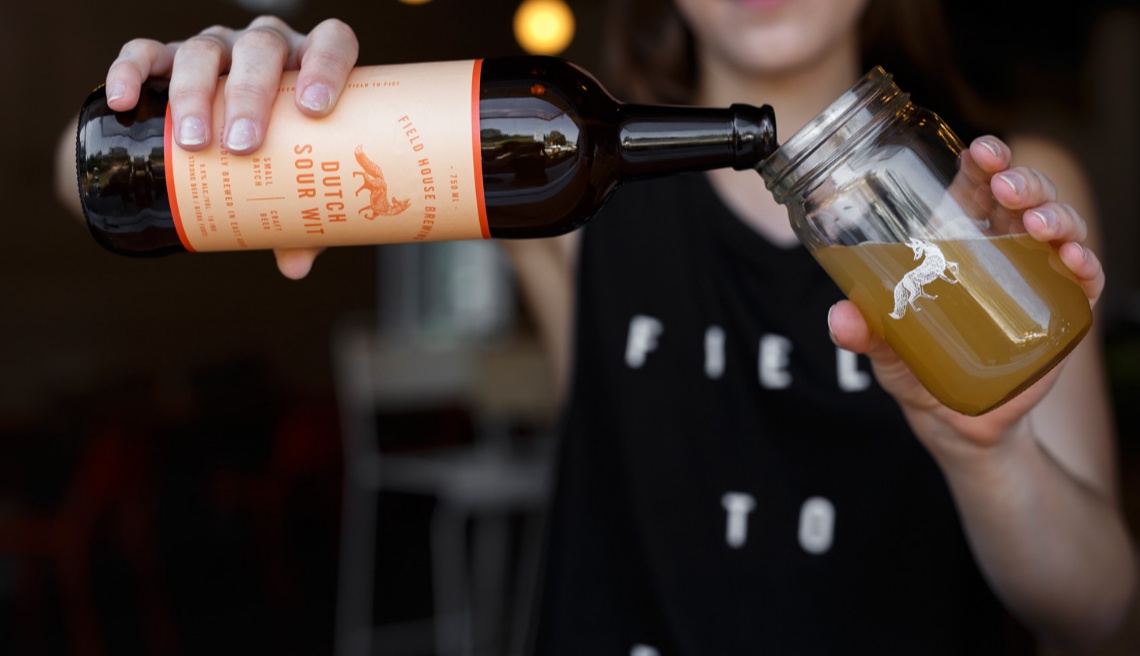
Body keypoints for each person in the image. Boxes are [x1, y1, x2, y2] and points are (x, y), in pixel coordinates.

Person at [91, 0, 1137, 653]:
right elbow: (80, 177)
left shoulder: (994, 191)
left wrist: (988, 453)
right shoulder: (559, 177)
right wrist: (218, 98)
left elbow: (1098, 616)